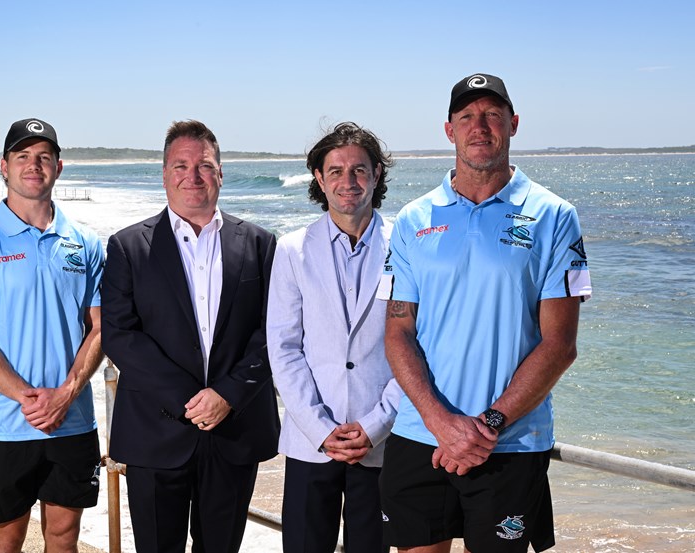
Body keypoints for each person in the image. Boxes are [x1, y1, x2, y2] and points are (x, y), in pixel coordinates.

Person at [379, 74, 593, 553]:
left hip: (510, 443)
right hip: (421, 436)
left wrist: (488, 425)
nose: (480, 127)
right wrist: (441, 423)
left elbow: (561, 344)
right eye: (467, 117)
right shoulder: (413, 219)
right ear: (449, 130)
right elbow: (397, 332)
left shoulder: (556, 216)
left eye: (492, 115)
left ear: (513, 124)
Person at [101, 120, 280, 553]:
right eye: (181, 165)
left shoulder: (260, 243)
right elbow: (121, 335)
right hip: (155, 431)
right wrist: (194, 398)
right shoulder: (127, 246)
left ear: (221, 173)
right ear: (164, 174)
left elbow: (275, 330)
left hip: (233, 430)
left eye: (204, 165)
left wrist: (227, 394)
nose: (192, 175)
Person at [0, 118, 105, 553]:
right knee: (6, 539)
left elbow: (101, 327)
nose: (34, 165)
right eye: (22, 157)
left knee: (63, 536)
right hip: (4, 427)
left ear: (58, 166)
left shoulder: (86, 243)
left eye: (44, 157)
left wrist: (66, 394)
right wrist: (28, 397)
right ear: (4, 166)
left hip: (71, 423)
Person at [267, 122, 401, 553]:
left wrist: (377, 423)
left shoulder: (407, 245)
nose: (348, 182)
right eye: (336, 171)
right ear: (320, 179)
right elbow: (284, 349)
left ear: (377, 174)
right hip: (311, 443)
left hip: (381, 442)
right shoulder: (291, 250)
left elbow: (420, 345)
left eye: (359, 170)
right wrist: (322, 429)